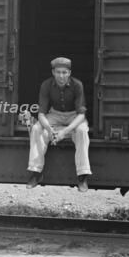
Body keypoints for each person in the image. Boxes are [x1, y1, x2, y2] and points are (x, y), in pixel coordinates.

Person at [26, 57, 92, 192]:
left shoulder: (77, 85)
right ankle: (36, 173)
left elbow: (81, 114)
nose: (61, 76)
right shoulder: (46, 85)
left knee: (82, 131)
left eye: (64, 72)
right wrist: (49, 130)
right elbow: (41, 114)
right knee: (37, 128)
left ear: (69, 73)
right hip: (55, 114)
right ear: (53, 72)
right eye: (58, 72)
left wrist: (64, 132)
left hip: (74, 115)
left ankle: (83, 176)